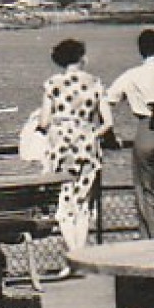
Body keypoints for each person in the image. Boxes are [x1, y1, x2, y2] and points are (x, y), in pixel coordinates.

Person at [37, 38, 114, 258]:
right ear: (82, 58)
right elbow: (108, 123)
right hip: (87, 148)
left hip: (61, 147)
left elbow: (44, 122)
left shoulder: (52, 85)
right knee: (83, 205)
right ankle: (81, 256)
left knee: (64, 204)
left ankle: (74, 256)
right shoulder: (96, 83)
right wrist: (90, 134)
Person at [106, 29, 154, 238]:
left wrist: (109, 132)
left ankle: (152, 241)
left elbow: (107, 101)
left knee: (147, 193)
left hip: (145, 130)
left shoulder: (131, 75)